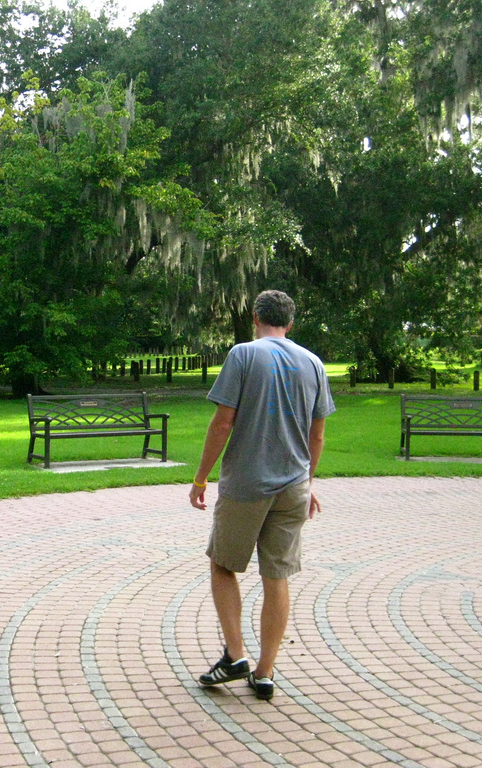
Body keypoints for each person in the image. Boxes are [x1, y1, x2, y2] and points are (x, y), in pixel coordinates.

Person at [188, 289, 335, 700]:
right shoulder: (314, 363)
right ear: (290, 322)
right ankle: (265, 671)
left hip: (247, 484)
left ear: (255, 317)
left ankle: (235, 656)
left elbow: (222, 424)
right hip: (294, 486)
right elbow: (318, 433)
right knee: (278, 576)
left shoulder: (243, 355)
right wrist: (308, 482)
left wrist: (201, 478)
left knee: (223, 565)